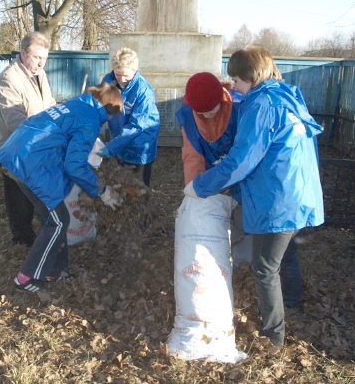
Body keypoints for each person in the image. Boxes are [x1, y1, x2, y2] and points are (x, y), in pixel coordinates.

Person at [184, 47, 324, 346]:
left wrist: (200, 186)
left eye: (235, 79)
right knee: (286, 252)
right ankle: (295, 302)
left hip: (277, 197)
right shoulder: (286, 96)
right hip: (298, 192)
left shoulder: (261, 106)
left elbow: (241, 160)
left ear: (251, 76)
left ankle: (274, 336)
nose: (233, 86)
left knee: (264, 268)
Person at [0, 83, 124, 294]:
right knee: (58, 221)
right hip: (29, 163)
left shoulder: (77, 104)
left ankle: (57, 270)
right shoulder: (89, 119)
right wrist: (102, 192)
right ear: (108, 110)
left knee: (56, 219)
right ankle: (26, 277)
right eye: (113, 115)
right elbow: (74, 165)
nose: (110, 120)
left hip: (17, 152)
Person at [176, 72, 252, 267]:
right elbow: (193, 155)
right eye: (201, 112)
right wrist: (194, 188)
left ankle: (243, 264)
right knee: (209, 213)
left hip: (241, 171)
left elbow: (244, 156)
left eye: (211, 109)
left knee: (244, 217)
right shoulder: (189, 117)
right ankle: (210, 257)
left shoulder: (239, 107)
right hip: (212, 174)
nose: (207, 115)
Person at [0, 31, 56, 246]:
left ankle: (30, 235)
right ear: (23, 53)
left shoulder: (39, 75)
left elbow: (48, 104)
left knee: (31, 194)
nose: (41, 63)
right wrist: (47, 134)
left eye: (44, 59)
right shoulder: (8, 80)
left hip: (34, 148)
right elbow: (16, 121)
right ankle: (21, 240)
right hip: (15, 150)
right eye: (37, 57)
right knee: (18, 197)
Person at [99, 47, 160, 187]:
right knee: (120, 184)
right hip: (119, 139)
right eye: (118, 74)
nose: (122, 79)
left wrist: (113, 147)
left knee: (139, 188)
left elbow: (137, 125)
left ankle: (141, 208)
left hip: (139, 144)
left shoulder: (144, 91)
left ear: (135, 70)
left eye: (126, 75)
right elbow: (100, 107)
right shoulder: (108, 82)